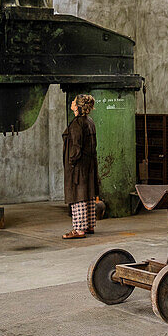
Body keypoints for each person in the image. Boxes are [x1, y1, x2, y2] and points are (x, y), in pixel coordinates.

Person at [62, 93, 99, 239]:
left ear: (77, 107)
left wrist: (71, 161)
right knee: (88, 192)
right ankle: (89, 225)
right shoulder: (90, 121)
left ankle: (79, 229)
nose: (71, 102)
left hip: (79, 166)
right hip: (89, 163)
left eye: (73, 101)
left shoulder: (77, 123)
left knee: (78, 195)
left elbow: (76, 147)